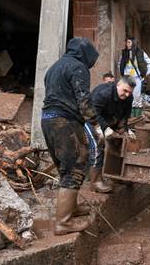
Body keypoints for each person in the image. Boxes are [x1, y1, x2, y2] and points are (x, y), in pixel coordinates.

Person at [41, 37, 101, 235]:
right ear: (86, 54)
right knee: (75, 167)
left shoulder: (54, 68)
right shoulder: (78, 68)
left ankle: (71, 208)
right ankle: (63, 223)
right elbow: (84, 100)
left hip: (47, 120)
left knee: (64, 167)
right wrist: (95, 125)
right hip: (64, 121)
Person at [84, 75, 137, 193]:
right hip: (90, 118)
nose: (127, 94)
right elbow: (93, 113)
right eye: (125, 91)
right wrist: (104, 128)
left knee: (122, 140)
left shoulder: (128, 97)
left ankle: (116, 175)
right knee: (99, 140)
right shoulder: (103, 94)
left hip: (109, 118)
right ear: (118, 85)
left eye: (130, 92)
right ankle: (95, 181)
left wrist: (125, 130)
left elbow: (124, 116)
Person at [118, 37, 150, 117]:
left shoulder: (140, 52)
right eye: (126, 42)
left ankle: (136, 117)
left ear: (133, 43)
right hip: (127, 78)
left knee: (136, 96)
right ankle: (127, 115)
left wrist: (145, 73)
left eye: (129, 42)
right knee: (126, 95)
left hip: (137, 77)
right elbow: (120, 63)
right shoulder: (124, 53)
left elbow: (149, 63)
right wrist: (122, 73)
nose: (127, 44)